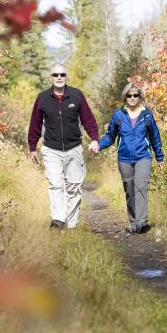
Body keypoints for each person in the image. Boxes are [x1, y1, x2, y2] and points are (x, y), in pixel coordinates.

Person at [27, 64, 100, 229]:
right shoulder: (43, 98)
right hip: (51, 149)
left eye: (62, 74)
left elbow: (88, 120)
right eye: (55, 75)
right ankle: (58, 220)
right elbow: (35, 125)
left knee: (74, 186)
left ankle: (71, 224)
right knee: (55, 184)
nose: (59, 77)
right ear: (51, 78)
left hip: (74, 148)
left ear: (66, 76)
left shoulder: (76, 95)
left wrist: (94, 139)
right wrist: (33, 147)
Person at [98, 82, 164, 234]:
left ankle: (142, 222)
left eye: (135, 95)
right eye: (129, 95)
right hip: (124, 158)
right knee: (129, 190)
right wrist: (99, 146)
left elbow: (155, 137)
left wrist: (159, 156)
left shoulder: (147, 115)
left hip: (143, 157)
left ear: (140, 97)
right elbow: (110, 136)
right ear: (125, 97)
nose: (132, 98)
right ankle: (133, 222)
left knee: (141, 186)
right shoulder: (119, 115)